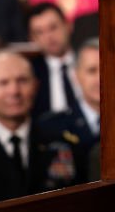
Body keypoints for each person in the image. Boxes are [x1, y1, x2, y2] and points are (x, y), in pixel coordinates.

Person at [0, 51, 82, 206]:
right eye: (3, 83)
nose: (14, 91)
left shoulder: (63, 142)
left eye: (22, 81)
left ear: (35, 86)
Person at [38, 37, 100, 183]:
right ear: (76, 76)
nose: (100, 78)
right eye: (92, 71)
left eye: (107, 69)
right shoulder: (51, 127)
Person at [26, 3, 80, 116]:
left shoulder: (90, 62)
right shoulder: (30, 72)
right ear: (32, 39)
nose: (49, 36)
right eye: (39, 32)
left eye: (53, 28)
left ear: (68, 26)